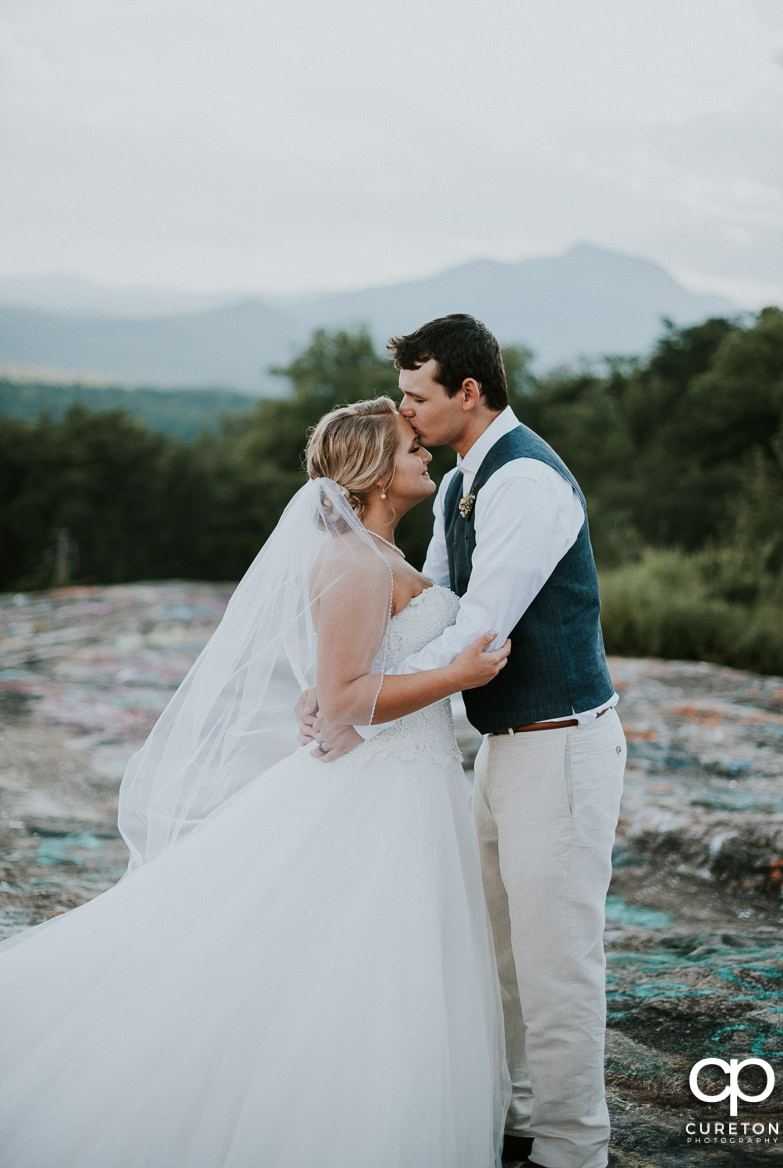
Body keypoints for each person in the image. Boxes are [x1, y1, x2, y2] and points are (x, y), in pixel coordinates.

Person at [0, 397, 512, 1168]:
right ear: (375, 471)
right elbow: (343, 699)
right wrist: (457, 674)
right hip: (379, 786)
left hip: (411, 779)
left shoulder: (385, 558)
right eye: (411, 447)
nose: (424, 456)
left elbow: (342, 686)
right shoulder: (351, 563)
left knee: (376, 963)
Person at [301, 318, 627, 1168]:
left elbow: (480, 631)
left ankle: (572, 1146)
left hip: (557, 742)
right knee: (499, 952)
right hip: (498, 747)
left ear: (468, 393)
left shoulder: (526, 484)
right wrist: (347, 683)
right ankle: (517, 1116)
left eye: (416, 396)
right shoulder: (457, 488)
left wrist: (357, 707)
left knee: (556, 959)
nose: (405, 415)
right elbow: (434, 603)